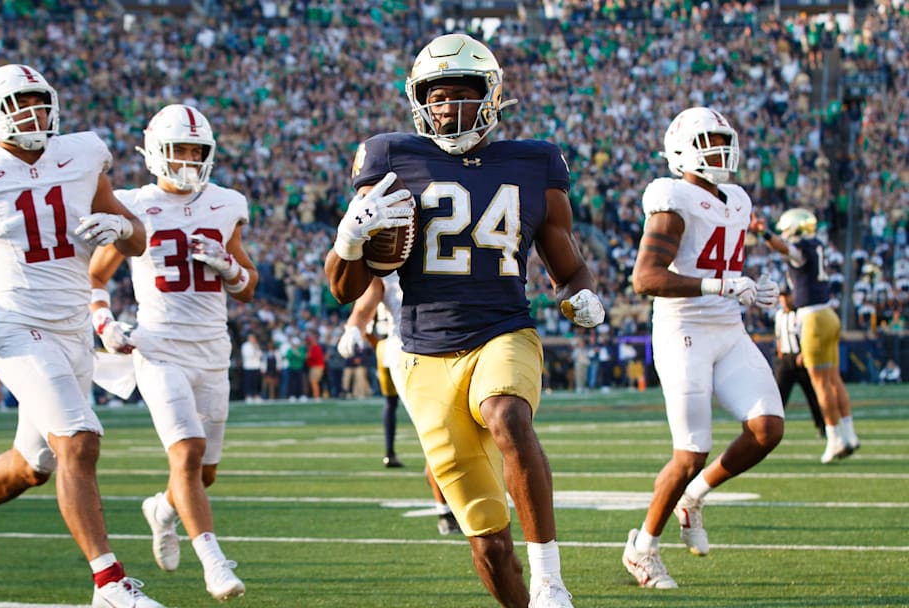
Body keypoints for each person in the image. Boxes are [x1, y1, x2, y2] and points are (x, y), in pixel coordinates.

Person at [325, 33, 606, 608]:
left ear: (491, 96)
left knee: (507, 415)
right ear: (419, 101)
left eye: (462, 94)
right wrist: (350, 238)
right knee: (489, 548)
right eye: (437, 95)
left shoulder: (534, 162)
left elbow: (568, 265)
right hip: (423, 356)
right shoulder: (389, 156)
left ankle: (552, 581)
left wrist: (582, 295)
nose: (449, 107)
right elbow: (344, 286)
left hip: (504, 330)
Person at [0, 64, 163, 608]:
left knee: (33, 467)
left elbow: (138, 239)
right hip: (18, 328)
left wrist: (122, 229)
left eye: (39, 102)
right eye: (20, 104)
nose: (35, 114)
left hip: (73, 330)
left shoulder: (80, 156)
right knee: (79, 441)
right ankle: (109, 583)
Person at [88, 103, 255, 601]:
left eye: (196, 151)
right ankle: (214, 561)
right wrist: (103, 322)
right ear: (156, 153)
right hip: (158, 346)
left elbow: (248, 286)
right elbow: (95, 276)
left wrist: (229, 267)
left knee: (205, 474)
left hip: (212, 349)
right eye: (178, 149)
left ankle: (163, 510)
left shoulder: (226, 203)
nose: (187, 159)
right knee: (187, 453)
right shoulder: (132, 203)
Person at [626, 106, 783, 589]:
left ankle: (693, 498)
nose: (721, 150)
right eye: (708, 142)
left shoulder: (737, 198)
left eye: (723, 139)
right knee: (691, 450)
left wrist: (757, 288)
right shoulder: (671, 198)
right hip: (684, 330)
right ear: (682, 151)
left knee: (767, 429)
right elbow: (645, 278)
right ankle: (643, 549)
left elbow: (722, 263)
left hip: (728, 328)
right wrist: (722, 285)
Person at [337, 274, 462, 535]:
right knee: (437, 432)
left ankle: (458, 504)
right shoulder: (388, 265)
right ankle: (445, 511)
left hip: (454, 345)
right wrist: (354, 327)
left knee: (467, 430)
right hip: (407, 352)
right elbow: (364, 306)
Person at [757, 208, 860, 462]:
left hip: (813, 319)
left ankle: (835, 439)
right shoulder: (818, 245)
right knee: (834, 379)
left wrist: (764, 233)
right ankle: (850, 434)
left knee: (821, 384)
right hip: (828, 313)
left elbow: (786, 249)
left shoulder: (802, 248)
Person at [772, 287, 825, 437]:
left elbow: (808, 335)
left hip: (801, 359)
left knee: (812, 395)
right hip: (786, 360)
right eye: (782, 297)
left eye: (786, 296)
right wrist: (780, 353)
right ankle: (773, 427)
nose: (784, 299)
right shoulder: (779, 315)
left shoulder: (800, 314)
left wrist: (804, 353)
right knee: (778, 395)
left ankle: (822, 426)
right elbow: (778, 336)